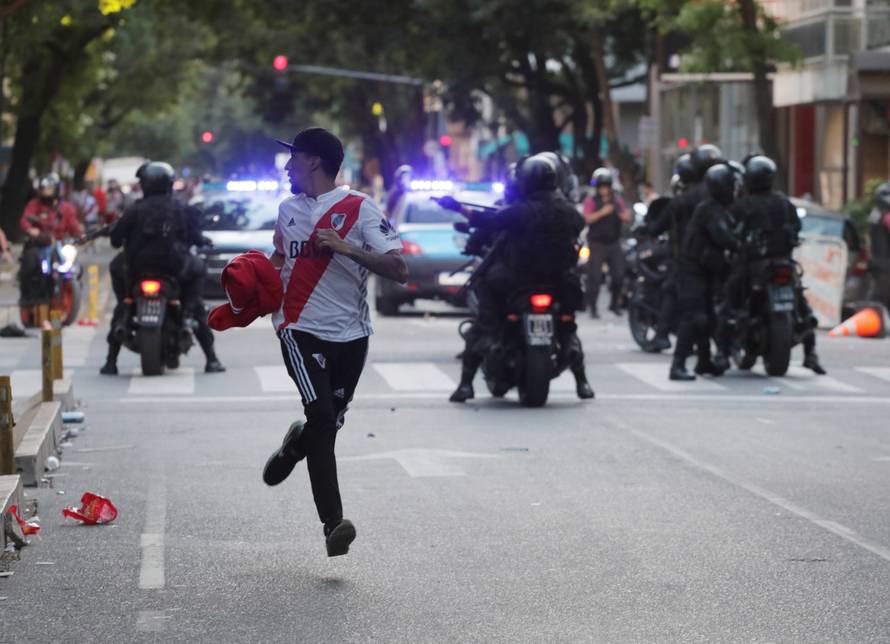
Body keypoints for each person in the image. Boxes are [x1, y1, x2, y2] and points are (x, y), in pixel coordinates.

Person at [262, 127, 408, 557]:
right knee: (324, 419)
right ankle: (333, 524)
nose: (287, 166)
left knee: (330, 420)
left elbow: (399, 269)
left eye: (293, 158)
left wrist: (346, 248)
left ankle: (295, 446)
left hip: (352, 336)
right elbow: (277, 259)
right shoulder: (287, 209)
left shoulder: (359, 208)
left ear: (313, 161)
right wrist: (250, 283)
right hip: (298, 330)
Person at [449, 153, 594, 402]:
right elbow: (579, 226)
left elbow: (488, 221)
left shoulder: (519, 211)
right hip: (559, 283)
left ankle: (466, 384)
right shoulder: (568, 211)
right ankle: (582, 381)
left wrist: (456, 207)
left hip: (517, 281)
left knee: (484, 318)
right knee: (568, 328)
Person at [101, 162, 225, 374]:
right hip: (176, 269)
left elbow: (115, 241)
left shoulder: (134, 210)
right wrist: (202, 239)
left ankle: (111, 361)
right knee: (196, 295)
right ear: (169, 184)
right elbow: (195, 237)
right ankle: (210, 356)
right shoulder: (182, 209)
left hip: (137, 271)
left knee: (121, 298)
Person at [722, 155, 825, 374]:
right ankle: (811, 353)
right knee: (802, 304)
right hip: (783, 262)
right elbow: (796, 227)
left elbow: (731, 230)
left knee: (729, 299)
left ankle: (722, 352)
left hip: (755, 265)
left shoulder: (744, 205)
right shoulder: (783, 202)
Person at [645, 145, 724, 351]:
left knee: (675, 294)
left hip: (689, 257)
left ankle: (663, 336)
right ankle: (708, 355)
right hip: (717, 256)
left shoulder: (687, 200)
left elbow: (657, 226)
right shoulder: (719, 196)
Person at [670, 162, 741, 381]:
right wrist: (740, 243)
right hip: (693, 270)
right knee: (693, 317)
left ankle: (703, 361)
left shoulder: (717, 209)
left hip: (706, 271)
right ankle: (678, 364)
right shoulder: (709, 210)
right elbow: (724, 237)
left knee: (708, 318)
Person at [18, 174, 83, 308]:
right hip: (40, 245)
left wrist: (82, 235)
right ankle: (30, 297)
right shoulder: (34, 204)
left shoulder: (66, 207)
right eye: (43, 189)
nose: (45, 192)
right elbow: (25, 220)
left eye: (49, 189)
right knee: (30, 264)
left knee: (76, 265)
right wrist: (31, 230)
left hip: (61, 244)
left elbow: (74, 226)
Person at [583, 167, 630, 318]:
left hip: (613, 242)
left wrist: (622, 214)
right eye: (601, 187)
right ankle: (593, 307)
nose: (603, 190)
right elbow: (587, 218)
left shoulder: (617, 200)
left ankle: (614, 304)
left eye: (606, 186)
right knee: (595, 277)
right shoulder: (591, 201)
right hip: (597, 244)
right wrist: (603, 212)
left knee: (619, 275)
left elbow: (626, 216)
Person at [869, 181, 890, 311]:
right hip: (885, 263)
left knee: (879, 295)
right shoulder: (886, 216)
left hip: (878, 261)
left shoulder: (875, 214)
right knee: (881, 297)